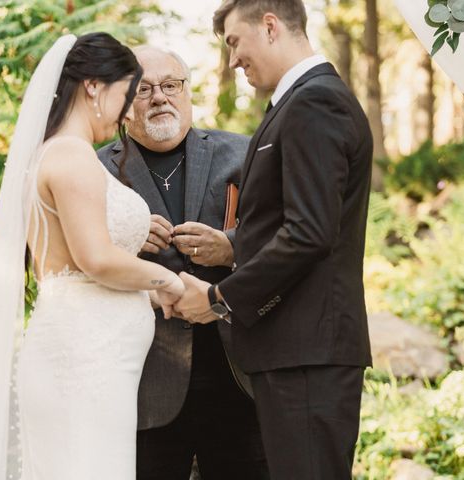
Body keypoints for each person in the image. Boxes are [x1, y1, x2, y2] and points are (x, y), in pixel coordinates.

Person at [0, 33, 184, 480]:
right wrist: (168, 281)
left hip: (92, 357)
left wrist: (143, 295)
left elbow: (71, 271)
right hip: (85, 363)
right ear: (93, 86)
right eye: (126, 94)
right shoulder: (71, 156)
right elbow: (96, 260)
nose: (129, 112)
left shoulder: (57, 154)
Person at [174, 1, 374, 479]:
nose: (232, 60)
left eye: (233, 43)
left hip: (307, 351)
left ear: (269, 27)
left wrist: (219, 299)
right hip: (296, 350)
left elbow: (309, 233)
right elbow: (301, 218)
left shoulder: (313, 103)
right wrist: (233, 246)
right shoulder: (297, 102)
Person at [97, 46, 269, 480]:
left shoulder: (242, 153)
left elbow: (281, 237)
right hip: (144, 384)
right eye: (143, 89)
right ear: (122, 101)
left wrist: (230, 246)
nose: (159, 97)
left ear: (187, 91)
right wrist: (123, 247)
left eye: (170, 85)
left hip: (236, 376)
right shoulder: (95, 171)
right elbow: (76, 259)